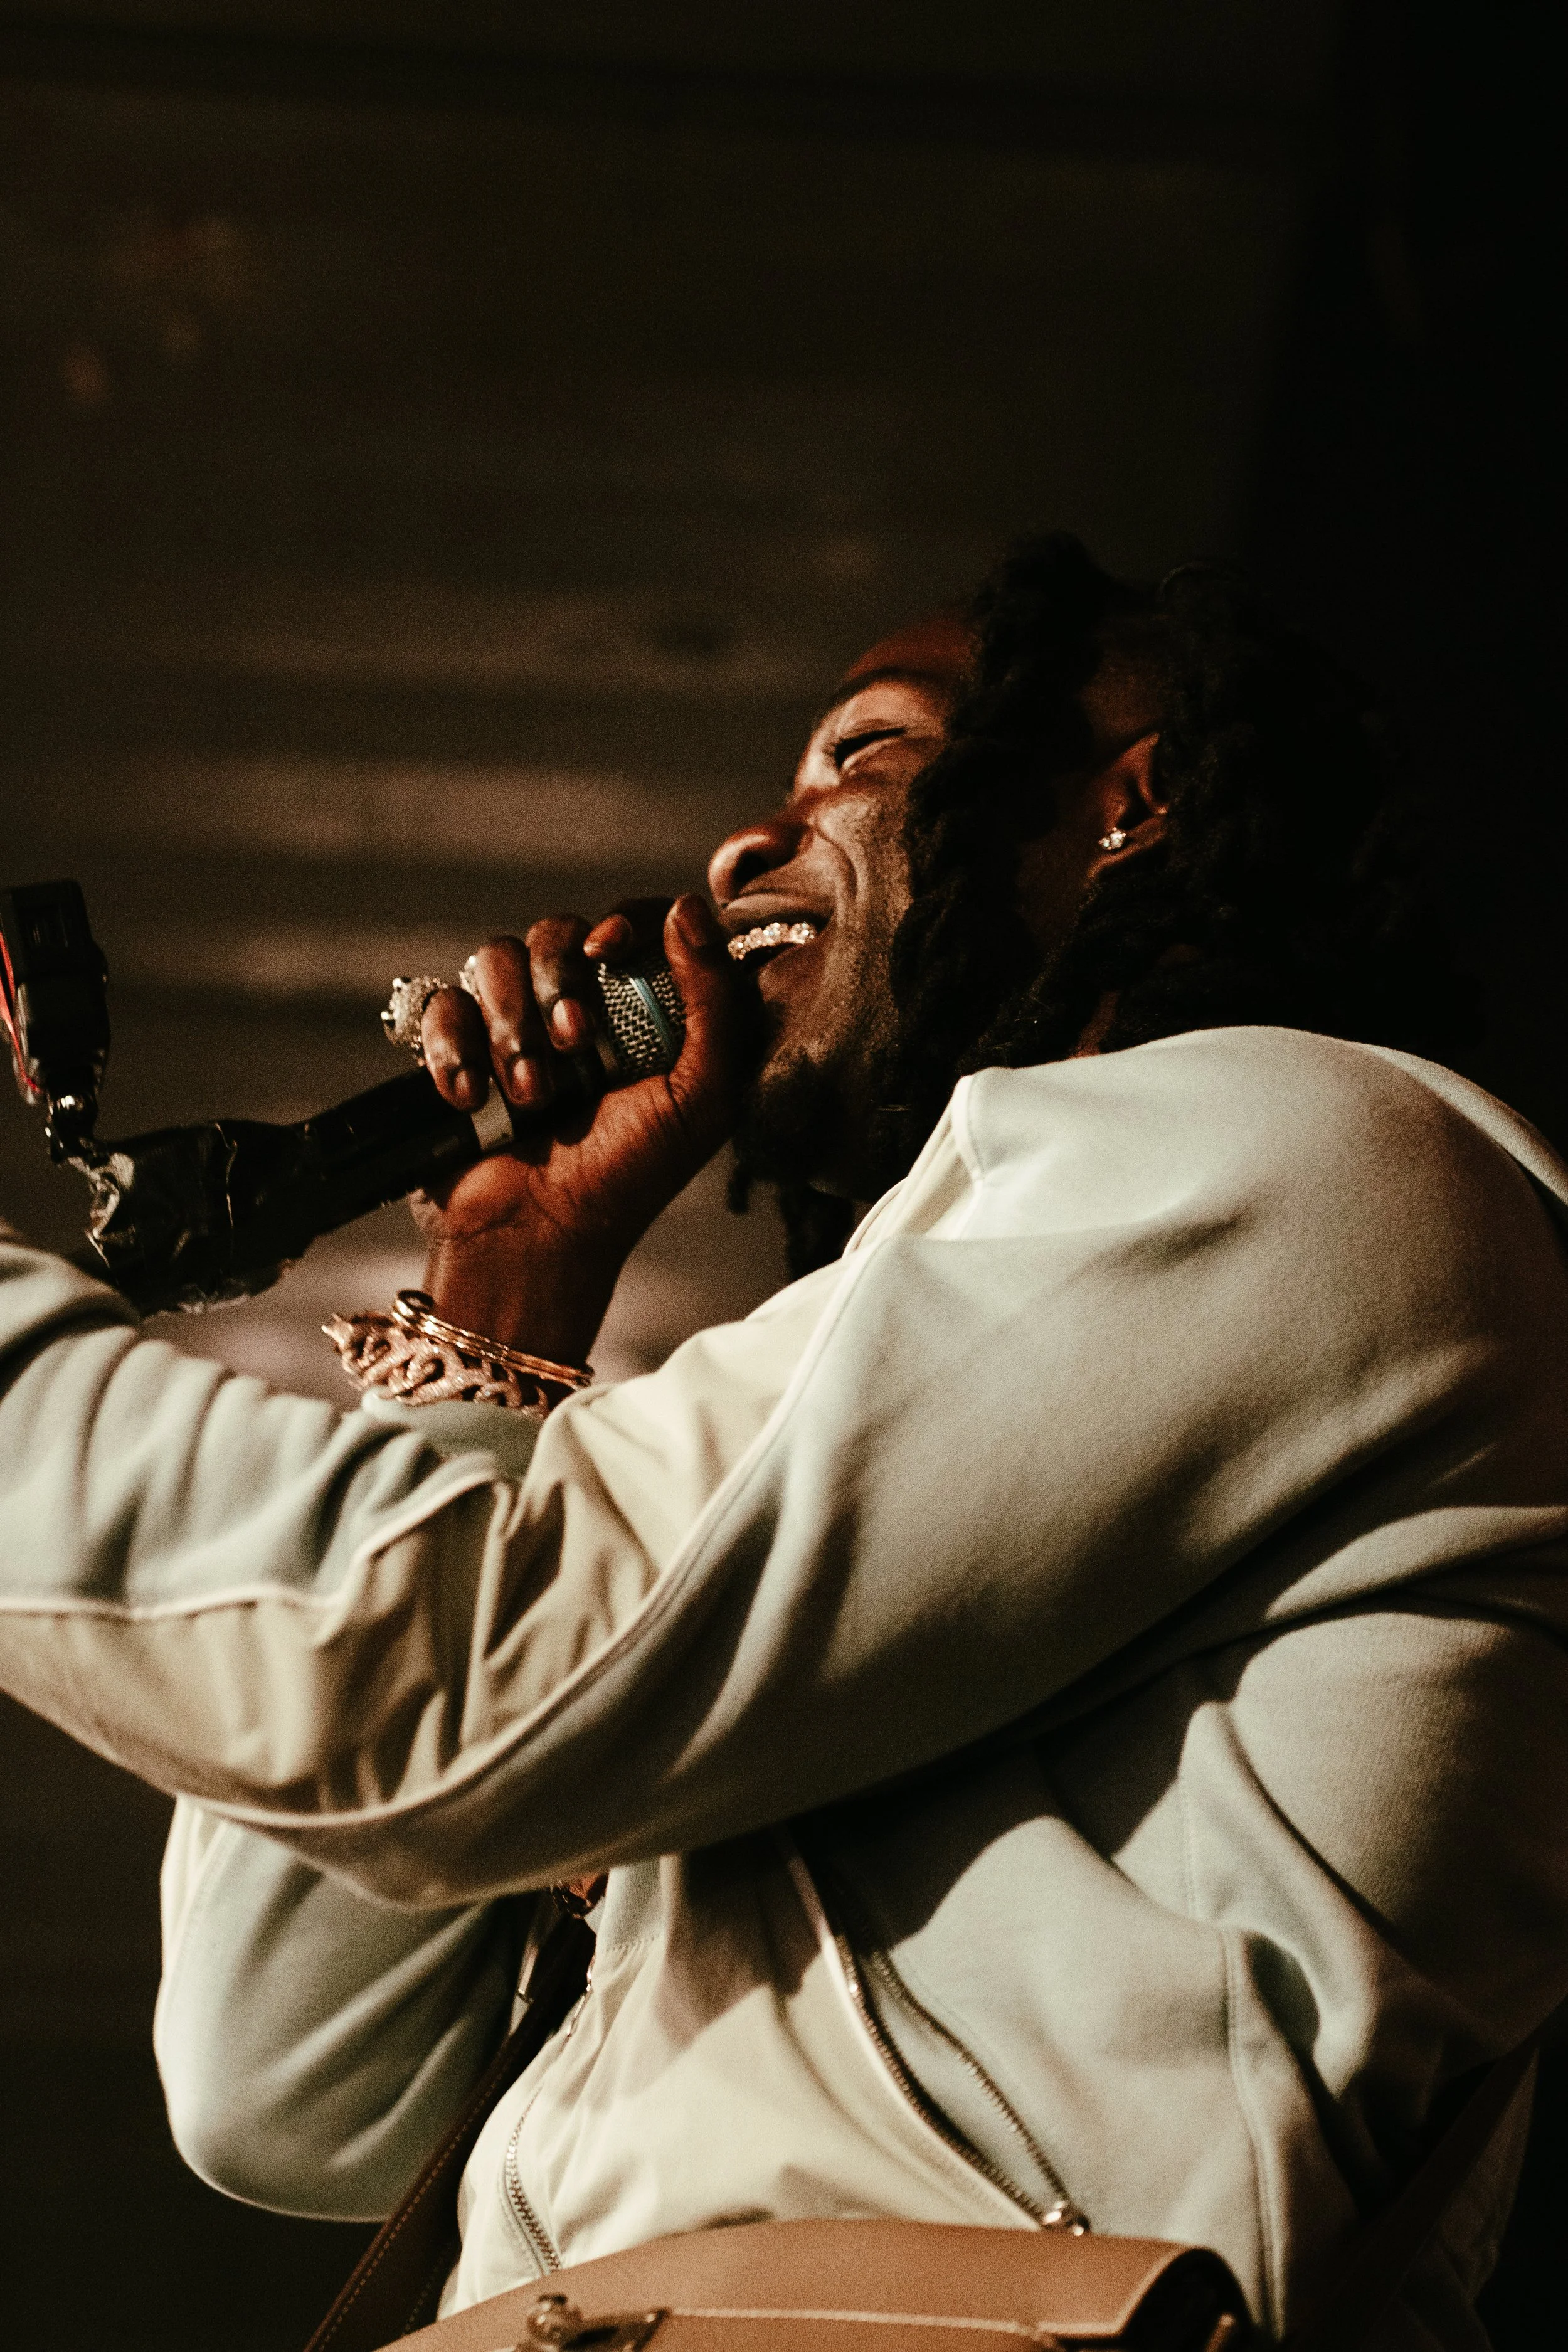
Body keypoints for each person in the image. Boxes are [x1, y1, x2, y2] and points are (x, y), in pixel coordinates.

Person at [2, 534, 1566, 2349]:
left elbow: (461, 1675)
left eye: (865, 755)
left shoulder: (1306, 1154)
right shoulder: (955, 1415)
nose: (747, 843)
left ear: (1134, 798)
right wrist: (501, 1290)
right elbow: (288, 2081)